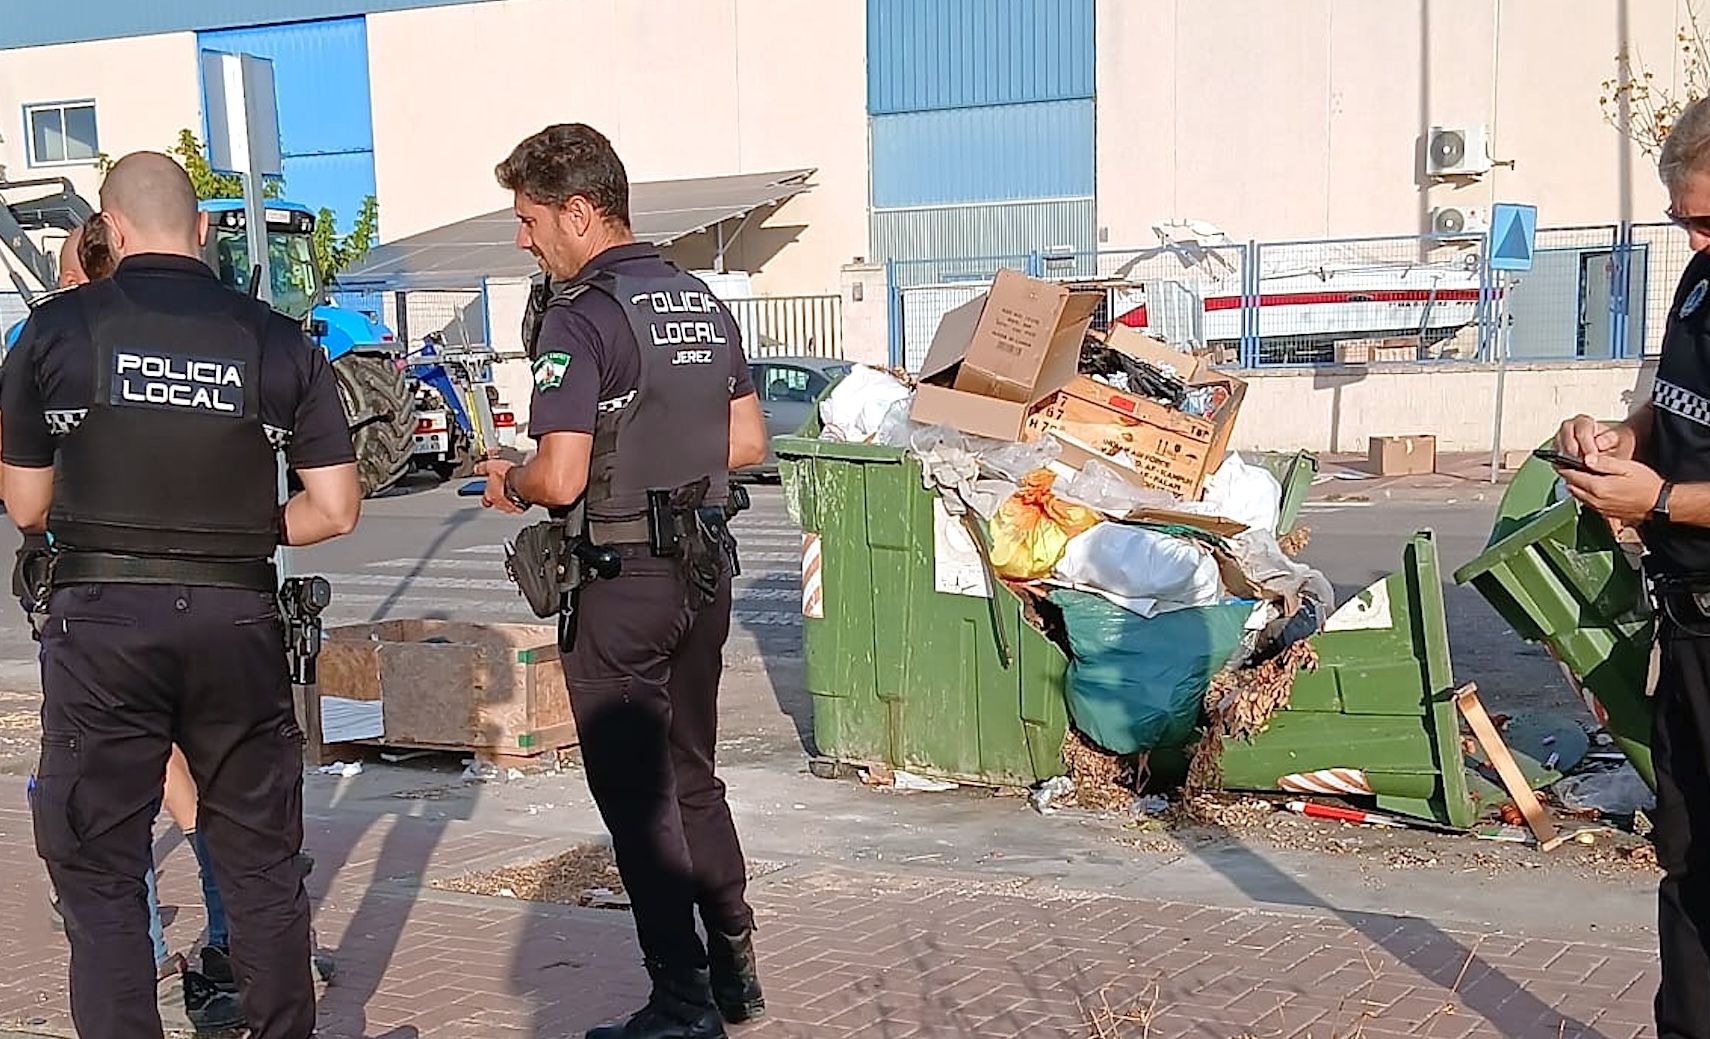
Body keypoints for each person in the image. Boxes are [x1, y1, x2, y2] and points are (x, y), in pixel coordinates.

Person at [3, 151, 361, 1039]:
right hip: (237, 622)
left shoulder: (53, 334)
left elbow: (26, 502)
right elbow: (337, 507)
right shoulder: (279, 338)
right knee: (261, 867)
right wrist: (241, 529)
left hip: (102, 627)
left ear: (110, 229)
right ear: (202, 230)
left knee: (100, 869)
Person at [479, 123, 769, 1039]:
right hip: (702, 570)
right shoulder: (698, 299)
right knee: (694, 774)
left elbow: (560, 477)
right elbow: (748, 443)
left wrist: (509, 479)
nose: (523, 239)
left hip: (620, 577)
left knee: (636, 795)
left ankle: (680, 1003)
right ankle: (734, 962)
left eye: (529, 220)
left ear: (577, 210)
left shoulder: (580, 313)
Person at [1555, 95, 1710, 1039]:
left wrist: (1652, 501)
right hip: (1687, 627)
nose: (1697, 240)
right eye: (1684, 217)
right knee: (1688, 863)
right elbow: (1668, 400)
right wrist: (1618, 436)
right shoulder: (1698, 283)